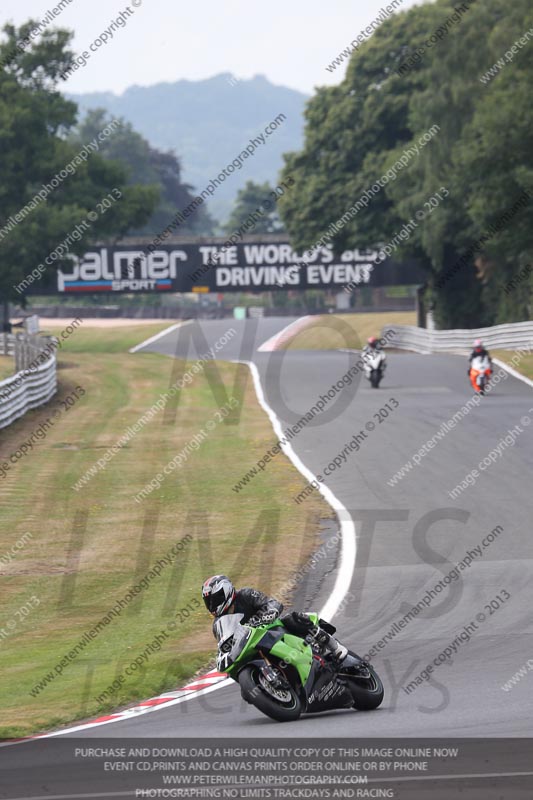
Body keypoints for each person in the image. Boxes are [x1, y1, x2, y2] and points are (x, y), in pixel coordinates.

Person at [202, 575, 347, 661]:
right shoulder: (218, 624)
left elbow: (272, 603)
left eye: (214, 600)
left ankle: (333, 645)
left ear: (225, 592)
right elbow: (224, 644)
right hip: (252, 647)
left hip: (271, 629)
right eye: (208, 602)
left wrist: (268, 613)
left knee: (292, 618)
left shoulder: (245, 595)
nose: (211, 605)